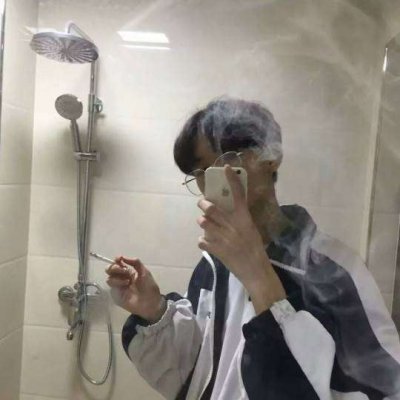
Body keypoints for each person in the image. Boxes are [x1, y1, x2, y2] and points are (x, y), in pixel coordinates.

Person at [105, 96, 400, 400]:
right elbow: (198, 373)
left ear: (271, 157)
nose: (215, 181)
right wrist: (155, 312)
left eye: (227, 160)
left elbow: (384, 388)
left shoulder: (333, 271)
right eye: (201, 172)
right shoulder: (213, 265)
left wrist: (259, 275)